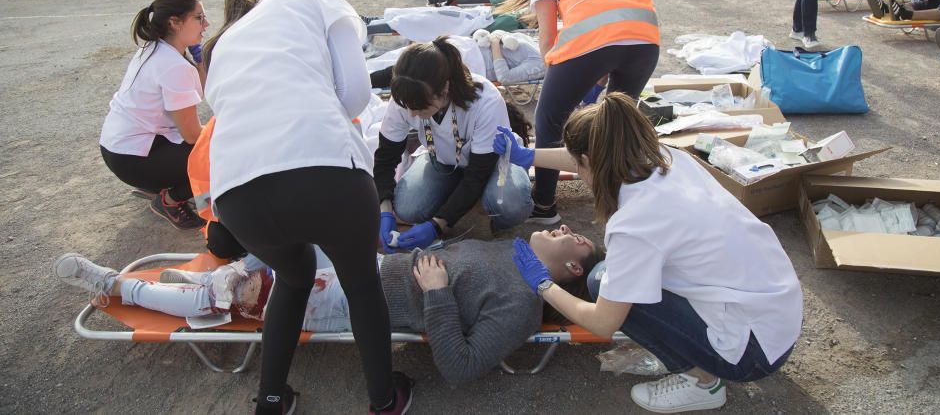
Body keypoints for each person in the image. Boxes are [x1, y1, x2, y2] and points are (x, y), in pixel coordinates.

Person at [494, 94, 802, 414]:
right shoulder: (666, 157)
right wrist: (527, 156)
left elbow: (603, 323)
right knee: (622, 278)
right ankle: (702, 356)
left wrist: (544, 284)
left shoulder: (635, 222)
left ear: (589, 161)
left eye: (579, 162)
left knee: (602, 280)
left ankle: (703, 384)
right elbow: (585, 157)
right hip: (777, 308)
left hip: (755, 353)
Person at [202, 0, 411, 414]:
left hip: (238, 193)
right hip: (324, 172)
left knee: (292, 279)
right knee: (360, 283)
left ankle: (272, 399)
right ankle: (382, 398)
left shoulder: (222, 45)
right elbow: (354, 95)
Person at [55, 225, 599, 386]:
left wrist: (436, 297)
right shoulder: (513, 250)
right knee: (293, 232)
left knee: (241, 295)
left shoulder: (523, 305)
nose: (568, 228)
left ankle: (113, 285)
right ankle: (231, 272)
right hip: (365, 261)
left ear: (572, 270)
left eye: (577, 240)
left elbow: (461, 367)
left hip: (350, 301)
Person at [529, 0, 660, 224]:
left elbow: (548, 39)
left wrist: (561, 84)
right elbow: (618, 21)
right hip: (646, 42)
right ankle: (623, 198)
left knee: (549, 118)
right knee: (618, 122)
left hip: (594, 45)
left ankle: (544, 206)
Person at [373, 38, 533, 251]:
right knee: (407, 207)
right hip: (442, 160)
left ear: (445, 88)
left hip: (493, 164)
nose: (412, 113)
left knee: (510, 203)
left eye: (420, 107)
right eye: (408, 107)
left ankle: (493, 220)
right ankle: (456, 200)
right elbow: (385, 158)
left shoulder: (485, 101)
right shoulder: (406, 98)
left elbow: (477, 174)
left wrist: (437, 225)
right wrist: (384, 209)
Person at [99, 0, 208, 230]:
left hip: (118, 150)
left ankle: (157, 183)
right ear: (174, 22)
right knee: (218, 152)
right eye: (199, 18)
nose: (206, 24)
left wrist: (199, 60)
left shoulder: (155, 48)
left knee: (207, 141)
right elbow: (192, 134)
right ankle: (169, 200)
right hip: (132, 159)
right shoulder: (173, 65)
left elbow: (197, 92)